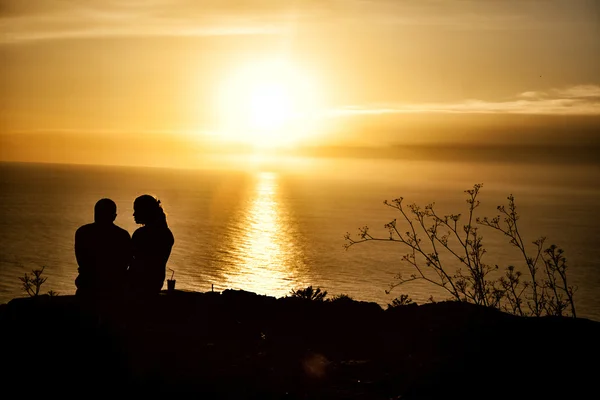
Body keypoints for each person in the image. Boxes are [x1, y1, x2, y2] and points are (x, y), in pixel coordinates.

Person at [74, 198, 131, 300]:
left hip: (88, 286)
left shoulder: (83, 232)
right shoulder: (122, 235)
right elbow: (124, 263)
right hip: (114, 289)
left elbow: (81, 260)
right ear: (114, 216)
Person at [128, 194, 174, 297]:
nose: (134, 214)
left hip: (137, 286)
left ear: (145, 212)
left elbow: (131, 260)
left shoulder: (141, 234)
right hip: (155, 284)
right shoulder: (166, 233)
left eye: (137, 210)